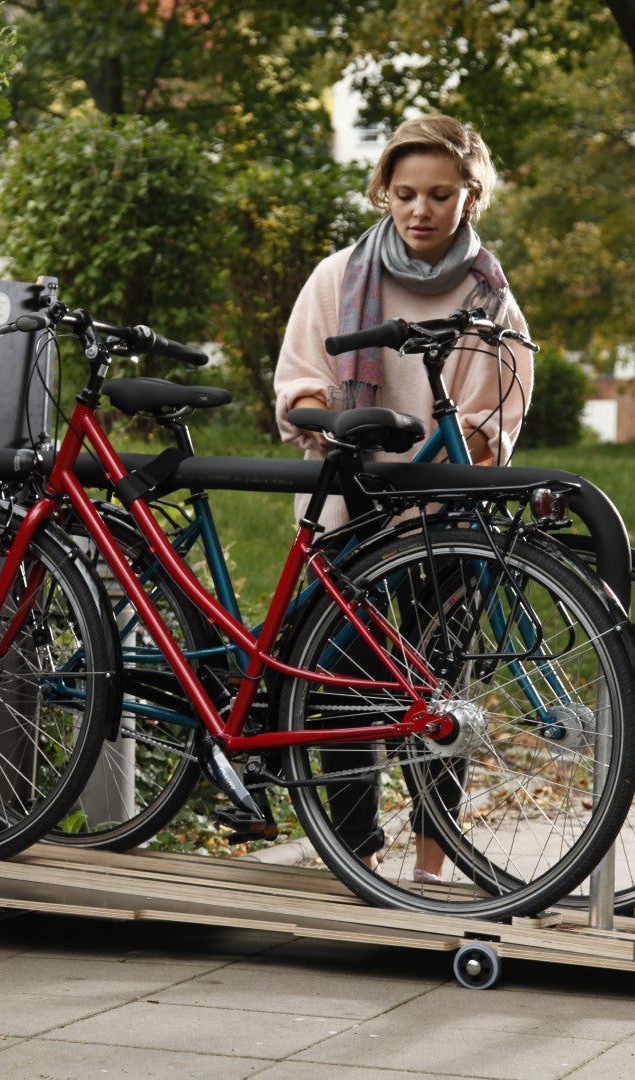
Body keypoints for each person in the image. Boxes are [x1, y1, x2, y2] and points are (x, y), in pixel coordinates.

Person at [272, 114, 534, 885]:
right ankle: (356, 856)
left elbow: (499, 411)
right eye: (405, 192)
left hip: (443, 517)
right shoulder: (338, 278)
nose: (420, 209)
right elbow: (296, 385)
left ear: (470, 197)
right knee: (344, 683)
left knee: (440, 692)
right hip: (351, 507)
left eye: (440, 195)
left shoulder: (489, 293)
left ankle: (433, 862)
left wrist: (467, 449)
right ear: (384, 191)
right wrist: (338, 419)